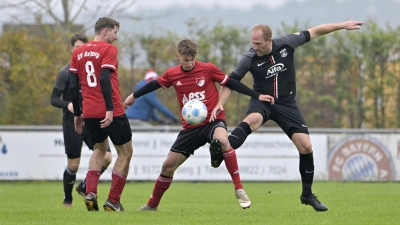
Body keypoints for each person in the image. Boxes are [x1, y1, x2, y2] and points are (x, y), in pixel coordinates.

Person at [210, 20, 364, 212]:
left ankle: (307, 195)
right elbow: (230, 82)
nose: (254, 47)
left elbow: (315, 31)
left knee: (306, 146)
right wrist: (219, 103)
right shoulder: (249, 58)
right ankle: (223, 148)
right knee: (253, 120)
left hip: (287, 103)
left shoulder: (287, 43)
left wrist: (343, 25)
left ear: (269, 41)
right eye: (252, 43)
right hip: (263, 100)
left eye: (258, 44)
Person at [123, 39, 274, 211]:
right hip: (190, 128)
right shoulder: (172, 74)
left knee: (224, 141)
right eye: (185, 60)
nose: (188, 64)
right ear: (178, 56)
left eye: (192, 60)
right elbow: (154, 85)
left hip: (212, 120)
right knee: (167, 166)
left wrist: (256, 95)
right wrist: (133, 96)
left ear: (196, 56)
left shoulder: (208, 69)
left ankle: (239, 189)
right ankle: (152, 205)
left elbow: (231, 83)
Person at [69, 17, 133, 212]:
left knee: (99, 149)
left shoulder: (78, 52)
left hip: (88, 111)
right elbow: (105, 79)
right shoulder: (108, 50)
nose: (116, 38)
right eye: (115, 33)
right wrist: (110, 108)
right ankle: (113, 200)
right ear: (105, 31)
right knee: (126, 152)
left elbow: (73, 85)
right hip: (110, 109)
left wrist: (78, 113)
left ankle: (91, 192)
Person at [50, 33, 112, 207]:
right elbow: (54, 99)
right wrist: (68, 104)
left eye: (83, 48)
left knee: (107, 157)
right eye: (77, 48)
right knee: (74, 164)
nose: (80, 51)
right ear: (72, 49)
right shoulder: (65, 72)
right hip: (72, 121)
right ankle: (67, 199)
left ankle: (85, 186)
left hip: (91, 119)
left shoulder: (93, 70)